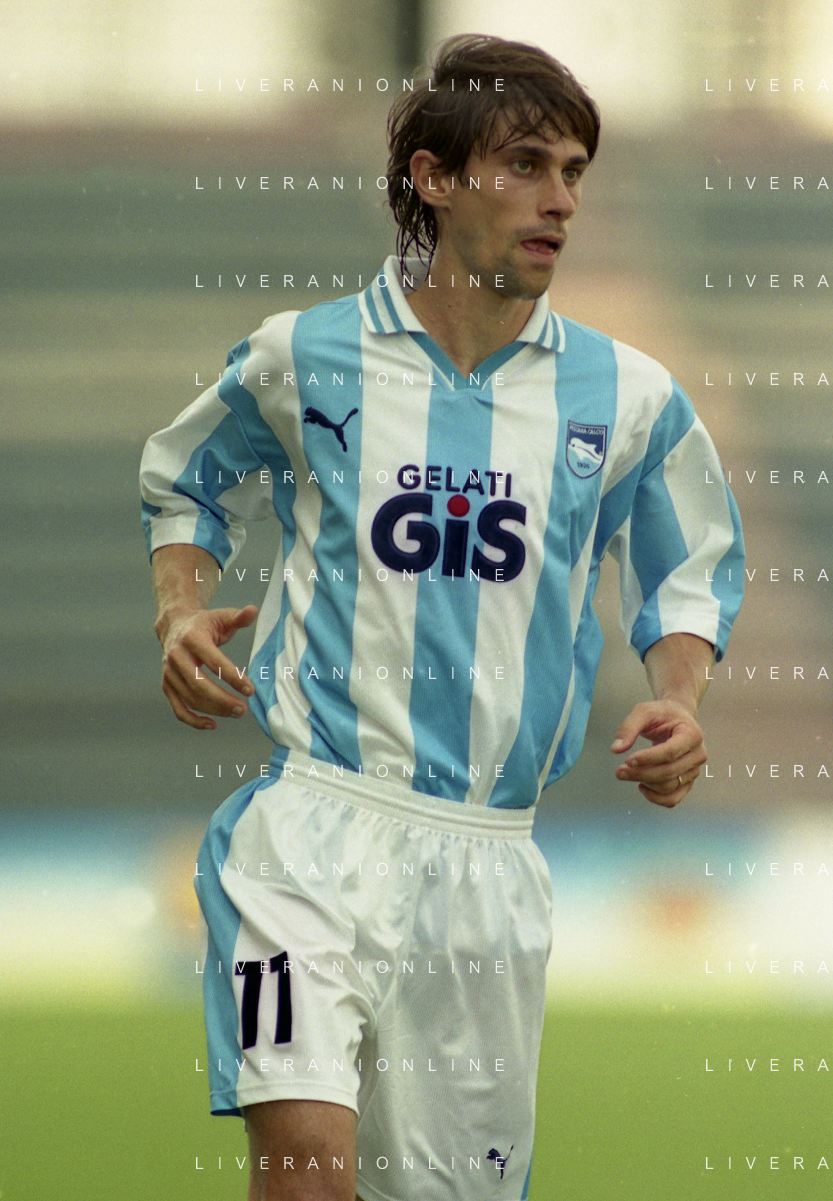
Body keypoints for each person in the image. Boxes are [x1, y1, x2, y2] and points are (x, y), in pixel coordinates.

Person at [141, 33, 743, 1201]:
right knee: (305, 1169)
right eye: (525, 165)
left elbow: (688, 563)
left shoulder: (629, 396)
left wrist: (678, 696)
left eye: (572, 171)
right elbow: (186, 477)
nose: (559, 200)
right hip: (312, 830)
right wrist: (177, 608)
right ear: (432, 178)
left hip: (487, 863)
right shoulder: (301, 353)